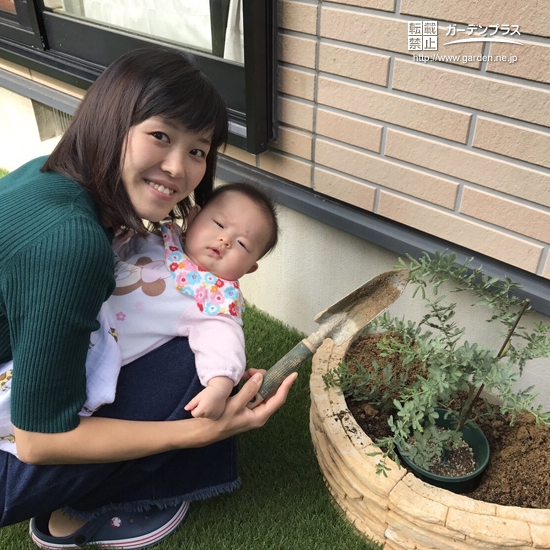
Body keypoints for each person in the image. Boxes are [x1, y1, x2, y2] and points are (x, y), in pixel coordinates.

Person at [0, 47, 296, 550]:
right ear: (112, 120)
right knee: (187, 370)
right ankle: (87, 512)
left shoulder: (45, 172)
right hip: (19, 441)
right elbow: (37, 440)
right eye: (160, 135)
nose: (179, 168)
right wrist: (195, 434)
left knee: (208, 353)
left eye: (198, 150)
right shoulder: (74, 244)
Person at [108, 182, 279, 420]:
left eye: (242, 244)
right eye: (219, 224)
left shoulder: (213, 299)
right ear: (194, 216)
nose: (225, 240)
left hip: (107, 357)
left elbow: (223, 340)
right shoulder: (158, 240)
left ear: (249, 268)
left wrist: (218, 388)